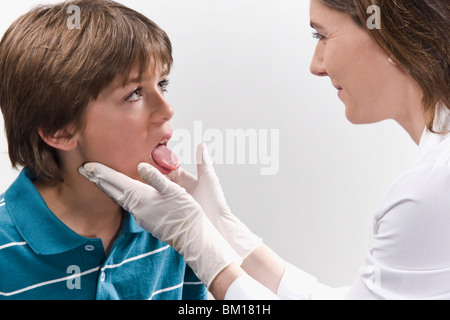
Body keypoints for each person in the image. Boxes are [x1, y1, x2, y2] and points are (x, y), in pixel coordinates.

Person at [80, 0, 450, 300]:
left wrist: (201, 247)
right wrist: (223, 229)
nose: (315, 65)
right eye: (133, 93)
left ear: (387, 31)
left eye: (321, 35)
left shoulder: (429, 190)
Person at [0, 0, 207, 300]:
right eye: (134, 93)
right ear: (60, 129)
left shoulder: (173, 228)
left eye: (162, 83)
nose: (167, 109)